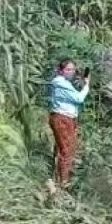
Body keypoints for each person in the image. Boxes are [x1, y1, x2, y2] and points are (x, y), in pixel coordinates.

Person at [48, 59, 90, 189]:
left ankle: (58, 175)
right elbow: (79, 98)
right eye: (68, 69)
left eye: (72, 69)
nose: (71, 72)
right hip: (63, 119)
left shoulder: (64, 83)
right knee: (67, 150)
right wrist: (87, 86)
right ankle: (63, 182)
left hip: (65, 118)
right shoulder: (61, 83)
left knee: (62, 148)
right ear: (61, 71)